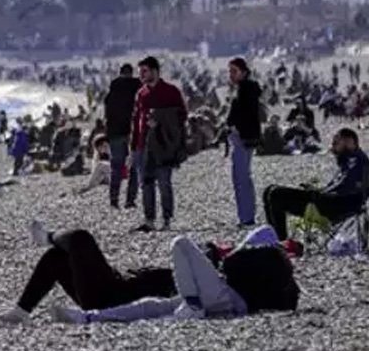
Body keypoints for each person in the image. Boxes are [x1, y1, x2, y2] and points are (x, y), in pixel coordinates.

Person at [50, 226, 299, 324]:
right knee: (153, 306)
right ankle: (89, 318)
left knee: (180, 243)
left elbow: (232, 265)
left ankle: (192, 307)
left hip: (227, 296)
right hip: (228, 297)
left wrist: (230, 253)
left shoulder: (265, 255)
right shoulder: (282, 272)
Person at [0, 221, 176, 325]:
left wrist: (98, 316)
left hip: (112, 297)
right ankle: (20, 312)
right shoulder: (184, 274)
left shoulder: (190, 287)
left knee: (81, 238)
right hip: (114, 284)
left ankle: (48, 237)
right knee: (56, 257)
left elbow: (160, 307)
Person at [263, 128, 369, 240]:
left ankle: (280, 241)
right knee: (269, 190)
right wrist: (319, 190)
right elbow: (340, 186)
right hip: (330, 202)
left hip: (334, 208)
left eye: (336, 143)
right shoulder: (350, 160)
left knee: (275, 194)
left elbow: (346, 188)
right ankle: (275, 239)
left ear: (349, 142)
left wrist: (320, 192)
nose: (333, 146)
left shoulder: (358, 163)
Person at [131, 56, 188, 232]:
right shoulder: (141, 94)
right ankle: (149, 220)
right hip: (143, 145)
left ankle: (167, 219)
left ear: (155, 71)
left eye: (144, 71)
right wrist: (133, 147)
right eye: (140, 72)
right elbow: (136, 120)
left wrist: (161, 120)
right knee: (146, 183)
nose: (141, 75)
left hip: (164, 145)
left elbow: (182, 116)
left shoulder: (171, 91)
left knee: (164, 182)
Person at [226, 58, 263, 226]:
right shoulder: (244, 88)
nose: (231, 74)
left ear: (243, 72)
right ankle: (245, 216)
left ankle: (247, 217)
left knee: (241, 179)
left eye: (234, 71)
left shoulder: (246, 88)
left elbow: (245, 114)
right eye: (230, 71)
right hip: (243, 137)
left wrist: (235, 127)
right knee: (241, 178)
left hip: (243, 138)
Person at [104, 63, 143, 209]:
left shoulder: (111, 92)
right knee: (133, 166)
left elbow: (107, 115)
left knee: (116, 167)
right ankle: (130, 200)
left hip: (115, 133)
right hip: (133, 132)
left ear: (120, 73)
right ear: (131, 73)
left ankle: (114, 200)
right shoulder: (138, 88)